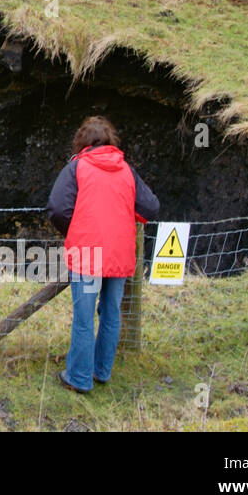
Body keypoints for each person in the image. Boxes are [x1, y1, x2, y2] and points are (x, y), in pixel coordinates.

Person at [45, 116, 159, 393]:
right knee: (111, 314)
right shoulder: (126, 170)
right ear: (110, 141)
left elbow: (58, 209)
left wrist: (76, 230)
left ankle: (79, 377)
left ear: (82, 142)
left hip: (88, 252)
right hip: (120, 252)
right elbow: (150, 208)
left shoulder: (77, 168)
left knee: (84, 318)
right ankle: (101, 372)